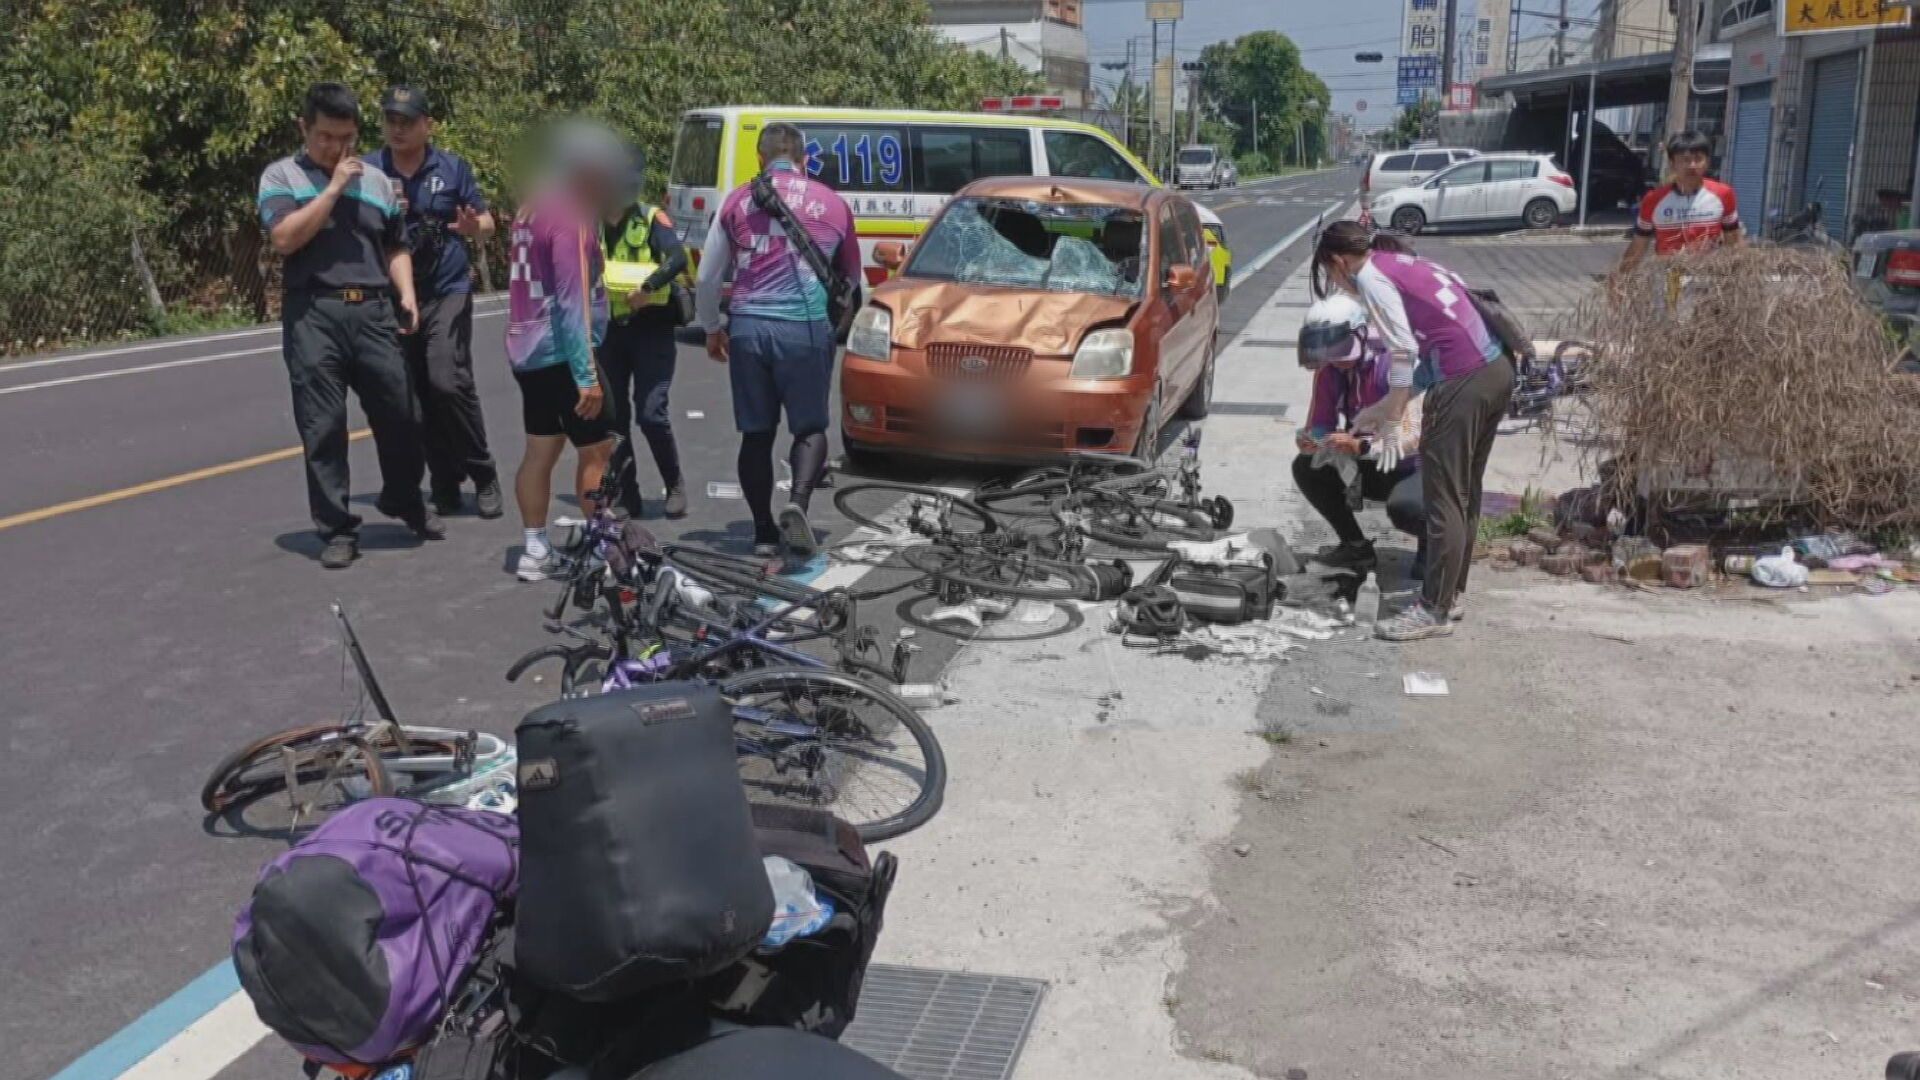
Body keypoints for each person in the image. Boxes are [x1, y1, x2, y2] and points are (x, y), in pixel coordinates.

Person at [258, 82, 441, 570]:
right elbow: (284, 238)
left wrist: (405, 291)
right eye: (324, 137)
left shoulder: (378, 182)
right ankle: (337, 527)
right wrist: (334, 186)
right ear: (304, 128)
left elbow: (395, 244)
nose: (335, 148)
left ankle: (402, 497)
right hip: (313, 313)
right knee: (324, 426)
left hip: (374, 309)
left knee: (403, 412)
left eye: (345, 138)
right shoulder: (280, 177)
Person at [1311, 220, 1514, 641]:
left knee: (1443, 496)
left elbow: (1401, 352)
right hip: (1495, 368)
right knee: (1464, 492)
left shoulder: (1372, 279)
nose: (1337, 283)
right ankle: (1450, 595)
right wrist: (1386, 404)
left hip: (1465, 380)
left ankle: (1433, 610)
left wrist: (1393, 417)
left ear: (1338, 261)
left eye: (1330, 274)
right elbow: (1437, 341)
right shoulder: (1402, 262)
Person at [695, 122, 861, 558]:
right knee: (809, 427)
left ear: (760, 158)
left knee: (756, 434)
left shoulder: (736, 201)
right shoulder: (833, 203)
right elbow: (852, 277)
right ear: (805, 159)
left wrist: (712, 328)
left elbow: (707, 276)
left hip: (748, 328)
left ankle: (764, 532)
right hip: (804, 329)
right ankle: (798, 505)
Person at [368, 85, 504, 519]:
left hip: (448, 288)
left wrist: (472, 227)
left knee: (447, 380)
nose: (398, 129)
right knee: (414, 395)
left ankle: (483, 473)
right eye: (391, 120)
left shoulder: (452, 168)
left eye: (407, 121)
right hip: (396, 295)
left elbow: (487, 223)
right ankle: (444, 478)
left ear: (428, 125)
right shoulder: (370, 171)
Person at [504, 121, 627, 581]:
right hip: (563, 352)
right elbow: (572, 298)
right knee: (598, 452)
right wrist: (587, 375)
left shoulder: (531, 207)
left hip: (527, 349)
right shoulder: (571, 213)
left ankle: (534, 549)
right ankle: (601, 550)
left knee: (540, 450)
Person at [1291, 294, 1425, 577]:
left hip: (1415, 466)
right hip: (1368, 462)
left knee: (1407, 508)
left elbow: (1413, 437)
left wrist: (1361, 446)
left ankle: (1433, 545)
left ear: (1361, 334)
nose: (1335, 359)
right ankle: (1355, 545)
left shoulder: (1395, 363)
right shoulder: (1331, 371)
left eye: (1339, 346)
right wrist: (1311, 442)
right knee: (1305, 468)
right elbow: (1320, 423)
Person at [599, 149, 691, 519]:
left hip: (651, 329)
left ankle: (674, 483)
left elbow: (678, 259)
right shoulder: (589, 223)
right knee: (614, 418)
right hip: (609, 331)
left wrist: (648, 287)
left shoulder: (652, 219)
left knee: (652, 414)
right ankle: (627, 493)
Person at [1615, 129, 1742, 279]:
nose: (1692, 165)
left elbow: (1734, 242)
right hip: (1667, 278)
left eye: (1698, 158)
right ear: (1672, 163)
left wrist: (1739, 280)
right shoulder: (1653, 200)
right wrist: (1620, 280)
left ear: (1707, 162)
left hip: (1709, 279)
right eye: (1685, 160)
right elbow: (1639, 244)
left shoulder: (1723, 194)